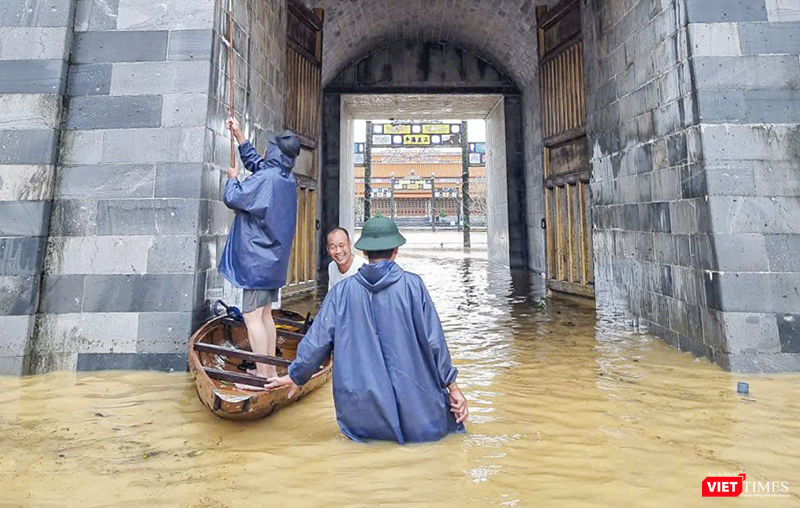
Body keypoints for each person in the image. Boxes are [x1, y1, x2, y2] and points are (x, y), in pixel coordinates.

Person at [265, 217, 469, 444]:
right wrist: (454, 389)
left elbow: (317, 342)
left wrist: (296, 375)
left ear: (363, 253)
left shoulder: (341, 293)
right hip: (417, 411)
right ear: (396, 250)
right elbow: (435, 343)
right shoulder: (413, 287)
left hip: (362, 412)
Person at [219, 116, 300, 381]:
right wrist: (240, 135)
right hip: (273, 262)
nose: (265, 150)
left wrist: (232, 179)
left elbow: (233, 197)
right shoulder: (285, 179)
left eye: (269, 147)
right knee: (265, 315)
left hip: (256, 262)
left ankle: (264, 375)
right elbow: (258, 165)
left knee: (252, 317)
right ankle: (270, 369)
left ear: (275, 152)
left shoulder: (267, 179)